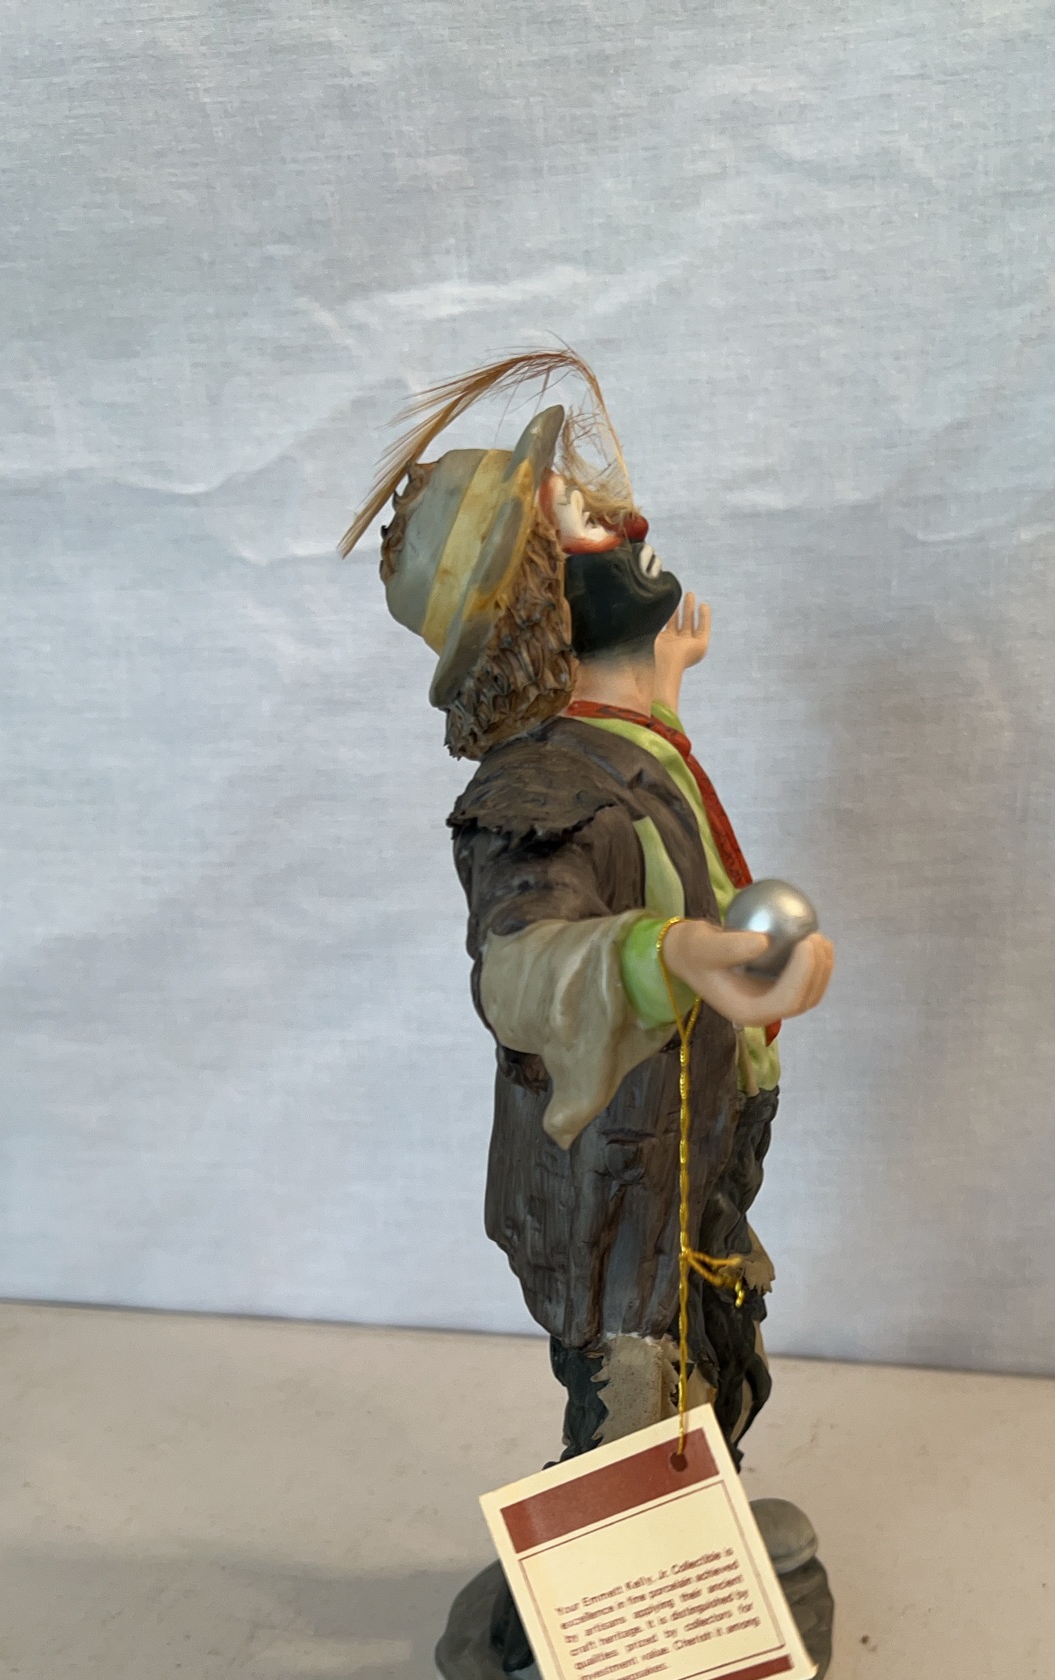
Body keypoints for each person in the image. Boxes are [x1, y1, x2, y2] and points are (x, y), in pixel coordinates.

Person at [343, 353, 833, 1465]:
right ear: (535, 602)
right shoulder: (535, 791)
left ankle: (693, 1555)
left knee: (715, 1381)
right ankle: (598, 1578)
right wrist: (679, 954)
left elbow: (644, 776)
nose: (625, 522)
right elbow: (519, 969)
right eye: (576, 521)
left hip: (694, 1155)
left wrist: (666, 677)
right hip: (619, 1198)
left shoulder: (612, 741)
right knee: (634, 1423)